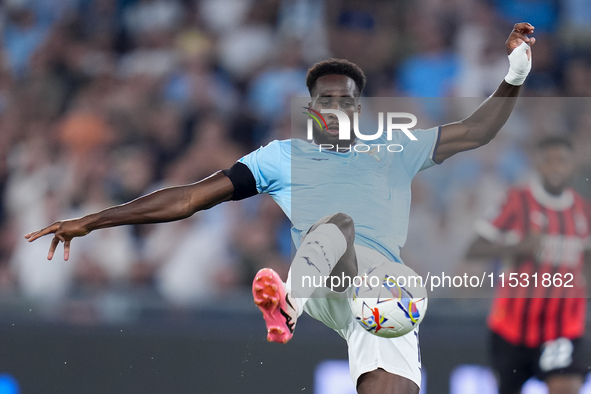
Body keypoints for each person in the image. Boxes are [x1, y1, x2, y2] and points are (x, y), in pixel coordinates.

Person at [25, 23, 535, 394]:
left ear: (359, 109)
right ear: (312, 111)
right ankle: (286, 306)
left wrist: (514, 72)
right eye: (327, 101)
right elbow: (187, 198)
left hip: (384, 289)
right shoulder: (282, 157)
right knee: (338, 224)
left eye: (347, 101)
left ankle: (295, 305)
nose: (338, 109)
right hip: (321, 276)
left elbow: (477, 130)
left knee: (394, 387)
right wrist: (93, 220)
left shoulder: (395, 149)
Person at [465, 136, 589, 394]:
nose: (555, 167)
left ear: (572, 166)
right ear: (537, 164)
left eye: (562, 161)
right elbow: (474, 249)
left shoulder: (583, 211)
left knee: (566, 387)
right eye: (548, 160)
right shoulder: (516, 201)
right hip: (512, 328)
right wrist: (516, 247)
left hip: (562, 328)